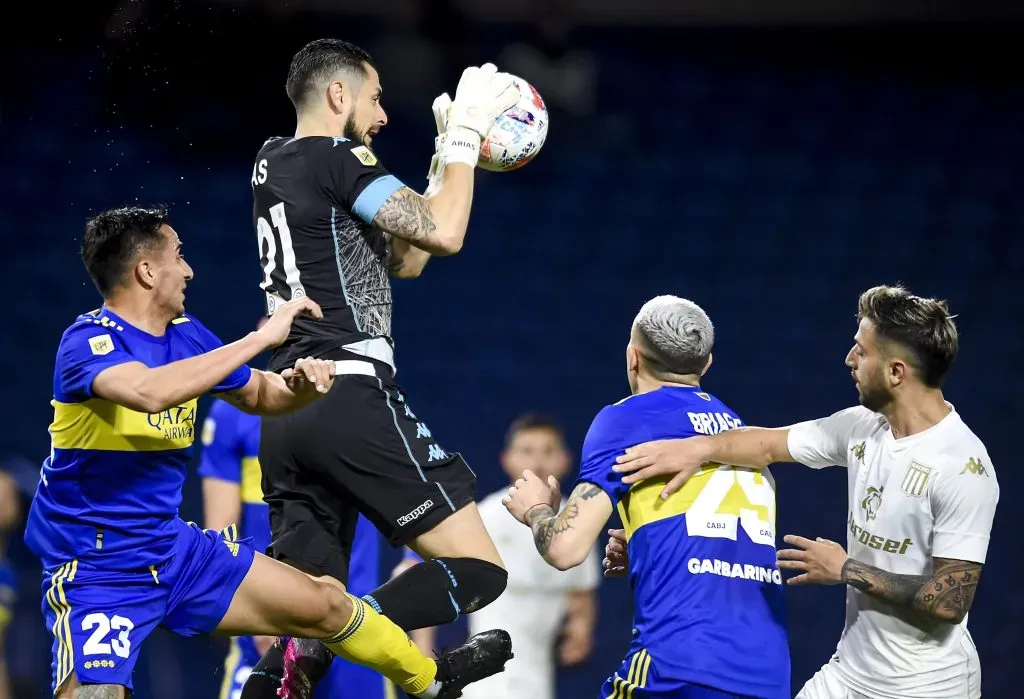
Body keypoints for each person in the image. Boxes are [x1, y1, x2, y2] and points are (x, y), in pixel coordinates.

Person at [23, 206, 509, 699]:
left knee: (326, 604)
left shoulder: (186, 334)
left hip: (174, 550)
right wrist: (260, 339)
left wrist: (301, 387)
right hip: (97, 567)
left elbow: (259, 395)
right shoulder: (87, 341)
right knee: (96, 695)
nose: (189, 270)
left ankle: (432, 682)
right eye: (178, 255)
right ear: (147, 271)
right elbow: (149, 392)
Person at [244, 38, 519, 697]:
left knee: (299, 628)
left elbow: (409, 257)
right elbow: (446, 234)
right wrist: (466, 143)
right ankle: (351, 628)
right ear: (338, 96)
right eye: (374, 97)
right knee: (479, 568)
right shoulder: (336, 156)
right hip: (348, 392)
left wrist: (436, 161)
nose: (384, 114)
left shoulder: (271, 163)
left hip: (290, 409)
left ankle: (314, 636)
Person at [612, 285, 999, 699]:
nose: (849, 360)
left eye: (861, 352)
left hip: (928, 687)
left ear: (896, 373)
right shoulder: (863, 428)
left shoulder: (962, 465)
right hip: (849, 673)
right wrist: (696, 450)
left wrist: (847, 570)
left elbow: (952, 599)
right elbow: (767, 444)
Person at [503, 296, 790, 699]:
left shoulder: (627, 418)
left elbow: (565, 550)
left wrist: (537, 509)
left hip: (679, 664)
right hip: (767, 672)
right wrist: (642, 544)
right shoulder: (740, 434)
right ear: (706, 364)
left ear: (632, 357)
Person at [198, 383, 389, 699]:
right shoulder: (234, 410)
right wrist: (259, 612)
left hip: (358, 626)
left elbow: (415, 502)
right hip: (267, 627)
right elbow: (221, 536)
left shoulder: (368, 401)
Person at [462, 413, 600, 699]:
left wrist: (581, 629)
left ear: (566, 460)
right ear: (507, 459)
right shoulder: (485, 516)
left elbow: (581, 591)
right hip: (486, 677)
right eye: (526, 451)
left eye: (548, 451)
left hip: (538, 674)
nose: (537, 462)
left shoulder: (577, 520)